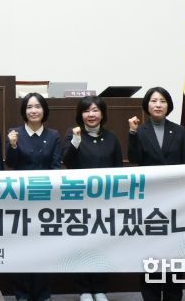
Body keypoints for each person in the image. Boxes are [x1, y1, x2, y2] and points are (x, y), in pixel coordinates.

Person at [128, 86, 185, 301]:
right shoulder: (140, 131)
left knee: (175, 250)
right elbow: (134, 158)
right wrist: (132, 133)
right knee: (150, 250)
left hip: (175, 201)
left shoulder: (179, 131)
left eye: (162, 101)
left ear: (168, 106)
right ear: (147, 105)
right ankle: (151, 295)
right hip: (150, 200)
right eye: (154, 101)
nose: (158, 105)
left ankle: (173, 294)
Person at [62, 95, 122, 301]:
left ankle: (100, 289)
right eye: (87, 110)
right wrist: (76, 141)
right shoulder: (73, 134)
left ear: (102, 114)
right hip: (80, 201)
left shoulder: (112, 137)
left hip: (105, 202)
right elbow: (66, 162)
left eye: (95, 110)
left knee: (102, 245)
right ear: (81, 114)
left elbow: (118, 170)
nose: (91, 114)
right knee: (81, 245)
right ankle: (84, 290)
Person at [5, 92, 62, 301]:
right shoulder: (15, 133)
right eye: (29, 107)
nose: (33, 110)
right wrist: (12, 145)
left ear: (44, 110)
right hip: (20, 200)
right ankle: (21, 293)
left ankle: (42, 293)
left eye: (37, 106)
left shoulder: (53, 135)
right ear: (24, 111)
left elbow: (55, 167)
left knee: (43, 248)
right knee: (21, 247)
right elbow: (11, 163)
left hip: (44, 199)